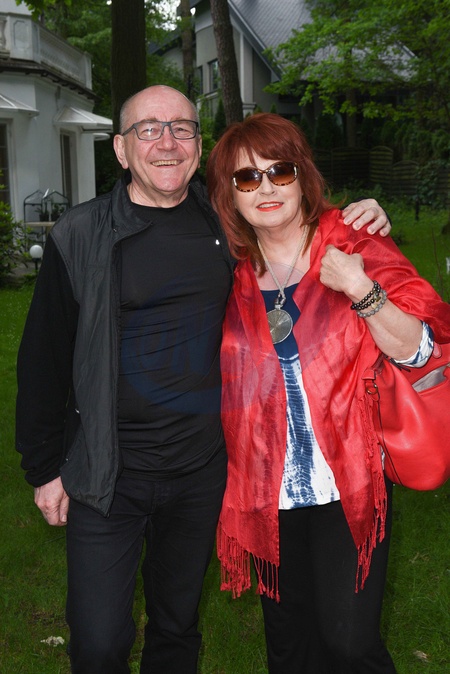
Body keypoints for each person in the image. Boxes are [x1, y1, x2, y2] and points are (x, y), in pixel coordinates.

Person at [16, 86, 391, 674]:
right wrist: (43, 468)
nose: (167, 142)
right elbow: (42, 359)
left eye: (182, 129)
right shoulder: (80, 233)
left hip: (201, 472)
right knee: (99, 641)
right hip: (107, 473)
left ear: (198, 145)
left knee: (176, 626)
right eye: (148, 129)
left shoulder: (225, 224)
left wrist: (360, 214)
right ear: (120, 149)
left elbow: (291, 217)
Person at [206, 112, 450, 674]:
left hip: (347, 478)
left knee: (349, 643)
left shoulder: (353, 240)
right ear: (231, 195)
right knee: (291, 649)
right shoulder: (230, 272)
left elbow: (420, 350)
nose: (266, 188)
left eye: (279, 171)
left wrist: (361, 288)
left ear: (303, 175)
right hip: (266, 487)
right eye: (247, 178)